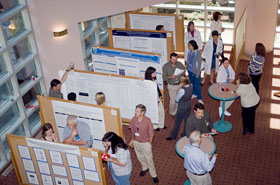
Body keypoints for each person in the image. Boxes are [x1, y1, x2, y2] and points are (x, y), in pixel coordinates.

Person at [129, 104, 159, 184]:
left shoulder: (147, 121)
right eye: (135, 110)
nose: (135, 112)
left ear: (142, 112)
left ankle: (153, 175)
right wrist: (132, 140)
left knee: (149, 160)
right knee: (140, 156)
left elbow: (151, 134)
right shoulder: (133, 119)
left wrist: (149, 144)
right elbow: (133, 131)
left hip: (145, 143)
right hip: (136, 142)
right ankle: (145, 168)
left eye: (137, 111)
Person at [166, 75, 193, 140]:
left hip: (182, 107)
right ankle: (185, 133)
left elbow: (176, 100)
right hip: (188, 105)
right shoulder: (191, 86)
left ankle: (173, 136)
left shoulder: (182, 90)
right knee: (186, 121)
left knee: (177, 122)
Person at [145, 67, 166, 131]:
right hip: (153, 101)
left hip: (158, 99)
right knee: (155, 113)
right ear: (150, 74)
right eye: (154, 73)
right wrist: (155, 102)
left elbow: (157, 88)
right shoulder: (147, 83)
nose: (155, 74)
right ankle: (155, 126)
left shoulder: (154, 80)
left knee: (162, 112)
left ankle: (161, 125)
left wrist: (160, 95)